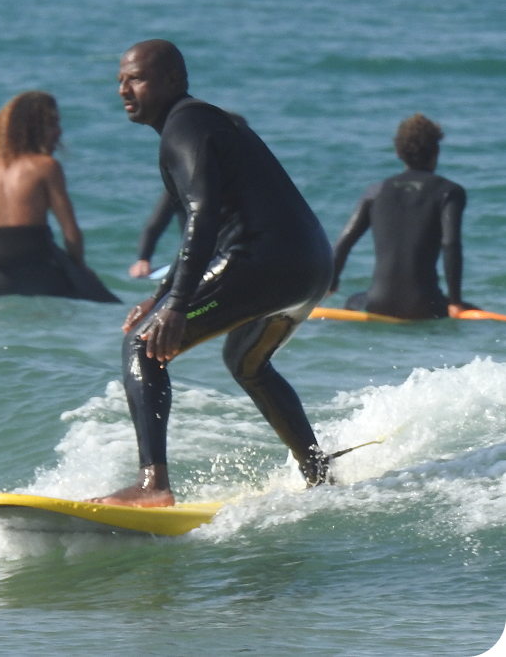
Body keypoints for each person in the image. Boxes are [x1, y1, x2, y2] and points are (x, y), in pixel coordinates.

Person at [88, 39, 333, 508]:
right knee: (246, 361)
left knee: (143, 343)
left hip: (262, 261)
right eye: (120, 80)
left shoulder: (184, 125)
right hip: (309, 266)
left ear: (172, 80)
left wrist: (176, 305)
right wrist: (162, 294)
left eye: (136, 79)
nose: (123, 89)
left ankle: (152, 486)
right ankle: (318, 473)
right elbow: (200, 228)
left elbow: (201, 217)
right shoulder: (201, 124)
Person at [0, 91, 120, 303]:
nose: (59, 131)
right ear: (32, 128)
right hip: (42, 278)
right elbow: (70, 232)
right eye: (52, 124)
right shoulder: (47, 166)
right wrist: (80, 271)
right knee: (114, 305)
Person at [330, 113, 475, 320]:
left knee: (353, 301)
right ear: (436, 152)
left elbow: (344, 243)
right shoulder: (449, 192)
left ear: (399, 153)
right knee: (473, 311)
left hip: (378, 305)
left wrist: (332, 284)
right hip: (426, 306)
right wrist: (455, 302)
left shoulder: (375, 191)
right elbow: (450, 244)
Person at [128, 114, 248, 279]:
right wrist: (143, 259)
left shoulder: (249, 182)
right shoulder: (185, 183)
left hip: (239, 260)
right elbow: (155, 225)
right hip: (202, 264)